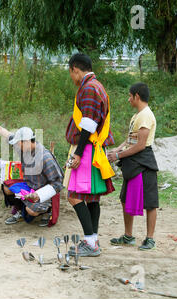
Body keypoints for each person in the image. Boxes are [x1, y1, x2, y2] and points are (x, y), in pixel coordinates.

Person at [64, 53, 116, 257]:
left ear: (75, 69)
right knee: (92, 198)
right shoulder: (96, 86)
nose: (71, 78)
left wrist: (77, 154)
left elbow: (88, 124)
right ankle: (93, 241)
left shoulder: (88, 88)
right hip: (93, 148)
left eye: (71, 73)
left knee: (74, 196)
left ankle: (89, 242)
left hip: (86, 149)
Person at [0, 107, 64, 226]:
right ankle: (19, 209)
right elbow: (7, 134)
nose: (17, 146)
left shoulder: (45, 157)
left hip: (43, 191)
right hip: (29, 186)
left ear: (28, 141)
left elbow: (58, 183)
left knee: (31, 211)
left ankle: (47, 210)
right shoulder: (22, 146)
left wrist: (39, 195)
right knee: (7, 188)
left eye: (19, 143)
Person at [107, 83, 159, 251]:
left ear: (137, 96)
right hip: (132, 161)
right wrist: (118, 148)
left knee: (150, 202)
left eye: (130, 96)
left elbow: (141, 145)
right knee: (125, 199)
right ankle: (128, 236)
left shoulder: (145, 116)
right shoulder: (137, 116)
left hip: (143, 161)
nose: (129, 99)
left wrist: (118, 155)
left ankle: (150, 239)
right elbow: (131, 140)